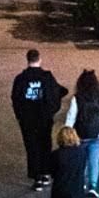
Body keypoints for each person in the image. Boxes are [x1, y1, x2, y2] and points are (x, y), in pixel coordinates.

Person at [11, 47, 68, 189]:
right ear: (39, 59)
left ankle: (36, 177)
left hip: (27, 120)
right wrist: (52, 111)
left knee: (31, 146)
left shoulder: (20, 79)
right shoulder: (47, 77)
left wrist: (20, 116)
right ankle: (45, 173)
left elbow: (15, 99)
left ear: (27, 60)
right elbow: (57, 92)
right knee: (45, 143)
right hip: (44, 118)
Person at [64, 69, 99, 193]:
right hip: (98, 134)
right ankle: (93, 186)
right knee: (94, 160)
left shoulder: (77, 98)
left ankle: (81, 183)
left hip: (81, 134)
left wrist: (66, 132)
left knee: (82, 159)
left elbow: (71, 117)